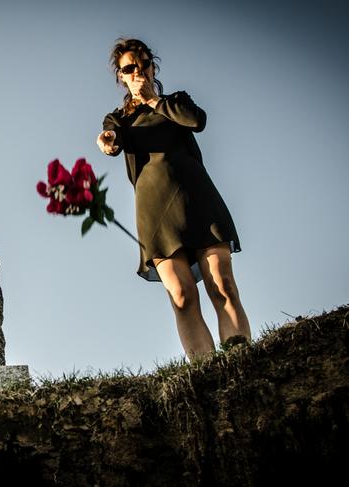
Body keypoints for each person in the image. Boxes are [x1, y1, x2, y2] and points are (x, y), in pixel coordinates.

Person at [96, 38, 251, 361]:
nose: (137, 71)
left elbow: (197, 121)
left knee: (222, 285)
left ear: (152, 67)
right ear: (121, 77)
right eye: (129, 68)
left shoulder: (176, 102)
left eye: (143, 64)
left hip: (198, 199)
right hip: (155, 212)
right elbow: (111, 141)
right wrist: (107, 142)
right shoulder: (118, 119)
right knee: (181, 295)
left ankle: (241, 363)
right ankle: (207, 371)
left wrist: (153, 100)